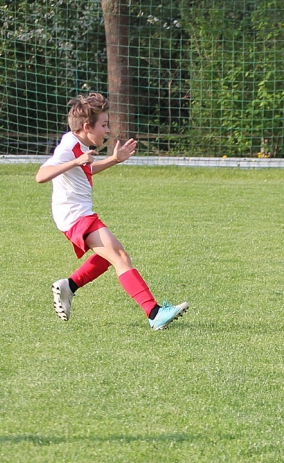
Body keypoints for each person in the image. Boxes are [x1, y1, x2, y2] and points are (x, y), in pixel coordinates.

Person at [36, 93, 188, 331]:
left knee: (107, 258)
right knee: (120, 257)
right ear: (87, 127)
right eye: (104, 125)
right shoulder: (68, 147)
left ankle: (69, 286)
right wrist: (75, 161)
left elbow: (85, 170)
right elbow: (41, 176)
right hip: (75, 216)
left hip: (76, 215)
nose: (107, 130)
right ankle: (154, 313)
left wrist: (115, 159)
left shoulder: (77, 145)